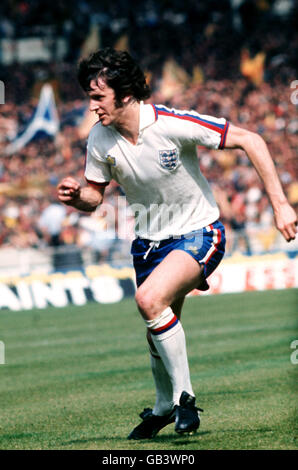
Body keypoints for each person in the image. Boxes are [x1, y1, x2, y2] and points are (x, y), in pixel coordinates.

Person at [57, 47, 297, 440]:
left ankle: (185, 400)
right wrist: (76, 196)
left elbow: (251, 140)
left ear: (126, 94)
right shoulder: (99, 138)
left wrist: (281, 204)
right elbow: (94, 198)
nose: (92, 106)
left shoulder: (170, 122)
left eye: (98, 97)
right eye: (89, 97)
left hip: (200, 233)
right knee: (158, 326)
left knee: (150, 301)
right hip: (149, 244)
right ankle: (162, 406)